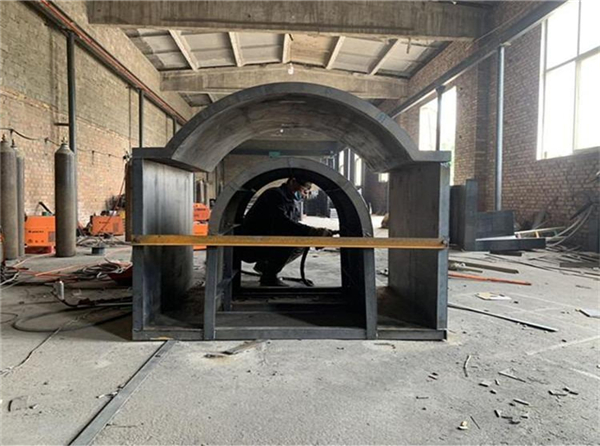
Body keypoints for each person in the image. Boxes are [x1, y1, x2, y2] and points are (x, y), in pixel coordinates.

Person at [238, 175, 334, 286]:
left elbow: (292, 225)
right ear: (292, 181)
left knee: (301, 241)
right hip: (252, 241)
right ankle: (269, 275)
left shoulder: (289, 200)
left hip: (266, 238)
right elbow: (282, 223)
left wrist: (313, 235)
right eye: (303, 189)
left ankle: (266, 267)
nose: (304, 194)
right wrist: (311, 232)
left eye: (306, 191)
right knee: (295, 242)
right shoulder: (274, 195)